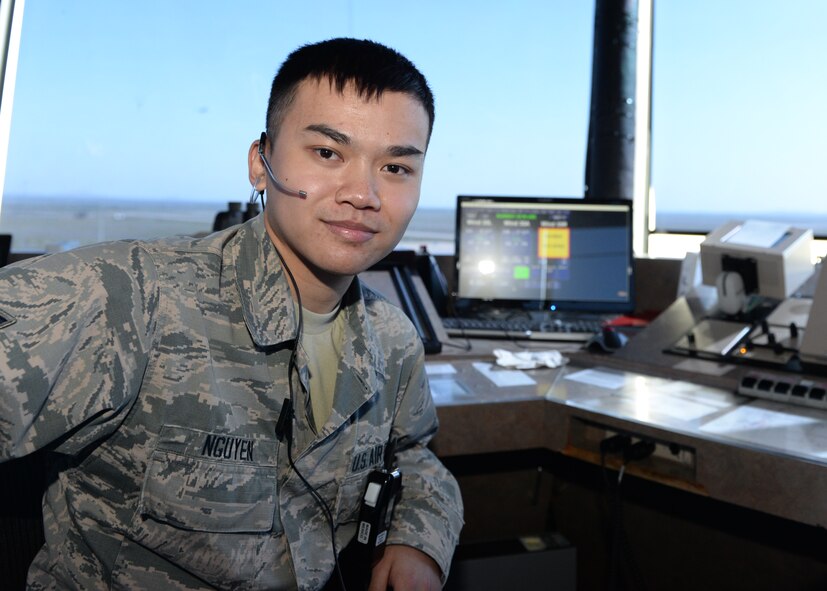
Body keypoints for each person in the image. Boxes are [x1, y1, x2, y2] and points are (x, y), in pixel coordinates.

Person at [0, 38, 463, 590]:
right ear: (260, 162)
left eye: (395, 167)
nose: (363, 194)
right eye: (327, 154)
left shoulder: (392, 340)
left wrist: (418, 542)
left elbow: (412, 456)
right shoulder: (128, 297)